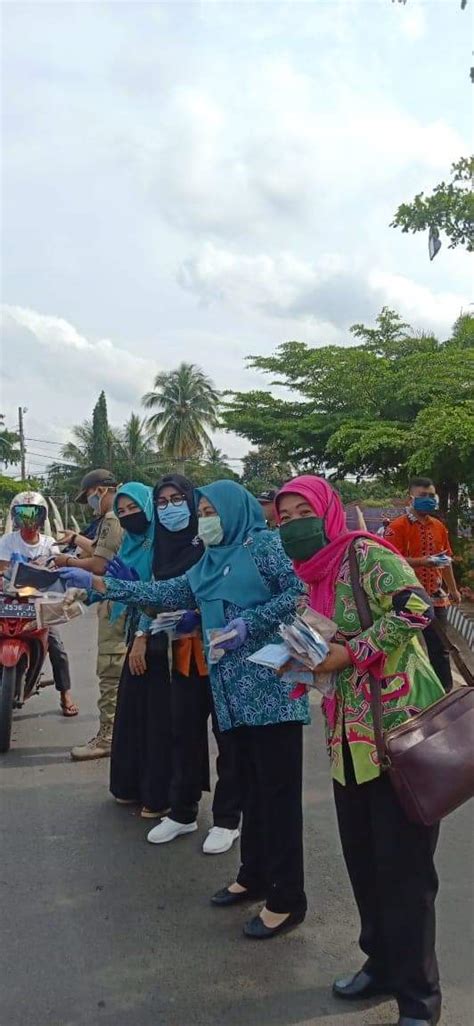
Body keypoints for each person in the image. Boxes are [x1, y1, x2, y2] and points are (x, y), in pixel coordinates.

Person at [59, 480, 310, 940]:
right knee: (249, 789)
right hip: (229, 693)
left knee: (277, 800)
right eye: (203, 510)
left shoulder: (266, 546)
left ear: (234, 510)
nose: (204, 518)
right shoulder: (210, 560)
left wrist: (246, 622)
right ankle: (253, 875)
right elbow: (173, 592)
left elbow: (299, 594)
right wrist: (98, 582)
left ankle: (288, 898)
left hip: (271, 693)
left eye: (211, 509)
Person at [276, 475, 445, 1026]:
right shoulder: (313, 575)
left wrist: (352, 655)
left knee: (406, 871)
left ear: (326, 511)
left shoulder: (366, 555)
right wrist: (303, 659)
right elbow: (327, 637)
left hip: (399, 732)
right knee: (365, 861)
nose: (293, 522)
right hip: (346, 738)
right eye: (283, 515)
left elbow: (417, 609)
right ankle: (380, 963)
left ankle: (419, 997)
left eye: (304, 509)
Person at [140, 473, 241, 853]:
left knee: (227, 737)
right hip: (183, 653)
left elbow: (233, 590)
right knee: (183, 733)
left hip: (224, 654)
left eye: (176, 499)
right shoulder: (161, 547)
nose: (170, 508)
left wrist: (203, 613)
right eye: (161, 502)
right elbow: (161, 594)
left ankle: (228, 819)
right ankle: (183, 812)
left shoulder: (215, 541)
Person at [55, 469, 126, 760]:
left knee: (110, 667)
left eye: (88, 497)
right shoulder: (119, 516)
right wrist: (76, 541)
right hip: (121, 596)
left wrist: (67, 561)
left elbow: (99, 564)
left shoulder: (112, 518)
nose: (89, 503)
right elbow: (100, 550)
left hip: (117, 600)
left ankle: (108, 737)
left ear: (99, 490)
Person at [0, 491, 78, 717]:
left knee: (57, 646)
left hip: (39, 603)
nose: (28, 520)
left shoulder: (49, 543)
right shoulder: (7, 541)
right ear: (15, 517)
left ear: (42, 516)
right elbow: (2, 569)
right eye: (23, 514)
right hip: (9, 600)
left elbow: (55, 567)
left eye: (34, 514)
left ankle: (65, 694)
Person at [385, 476, 461, 693]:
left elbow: (446, 561)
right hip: (407, 596)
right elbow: (391, 561)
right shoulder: (397, 527)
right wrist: (423, 562)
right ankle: (403, 694)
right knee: (403, 648)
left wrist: (453, 589)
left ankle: (443, 693)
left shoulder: (439, 526)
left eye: (431, 495)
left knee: (440, 648)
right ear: (411, 498)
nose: (429, 499)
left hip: (436, 596)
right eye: (423, 496)